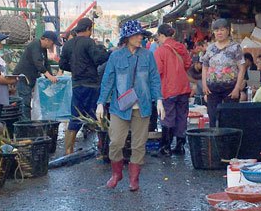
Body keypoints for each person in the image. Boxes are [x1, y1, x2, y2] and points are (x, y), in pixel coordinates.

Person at [96, 19, 162, 191]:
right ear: (127, 37)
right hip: (120, 107)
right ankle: (117, 173)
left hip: (143, 106)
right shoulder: (116, 56)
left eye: (141, 34)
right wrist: (101, 103)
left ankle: (134, 179)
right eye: (136, 34)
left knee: (139, 145)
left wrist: (159, 99)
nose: (140, 37)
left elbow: (154, 78)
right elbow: (108, 80)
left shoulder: (147, 55)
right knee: (116, 141)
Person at [59, 17, 111, 154]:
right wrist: (109, 53)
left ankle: (68, 150)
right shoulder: (89, 42)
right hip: (91, 85)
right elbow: (99, 59)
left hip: (76, 85)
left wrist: (76, 69)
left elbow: (62, 65)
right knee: (98, 116)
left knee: (75, 116)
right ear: (89, 29)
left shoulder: (68, 45)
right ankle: (102, 147)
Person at [153, 23, 192, 156]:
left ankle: (166, 147)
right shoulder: (181, 47)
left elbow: (158, 71)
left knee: (167, 116)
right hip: (184, 87)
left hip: (168, 88)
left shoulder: (160, 51)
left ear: (161, 35)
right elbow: (188, 64)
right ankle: (180, 146)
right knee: (182, 116)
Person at [200, 19, 247, 126]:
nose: (219, 33)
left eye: (222, 30)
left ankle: (229, 142)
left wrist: (237, 88)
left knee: (230, 119)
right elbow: (205, 66)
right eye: (216, 30)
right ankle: (214, 141)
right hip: (212, 88)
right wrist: (204, 85)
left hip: (230, 88)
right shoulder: (210, 48)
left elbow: (242, 68)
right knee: (212, 118)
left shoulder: (235, 47)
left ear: (228, 31)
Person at [13, 30, 59, 122]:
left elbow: (46, 64)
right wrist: (49, 76)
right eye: (52, 43)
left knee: (27, 102)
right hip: (23, 78)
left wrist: (50, 77)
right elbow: (38, 62)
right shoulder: (35, 45)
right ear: (47, 40)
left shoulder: (43, 50)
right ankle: (25, 125)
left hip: (31, 79)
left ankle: (27, 123)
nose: (52, 46)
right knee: (24, 103)